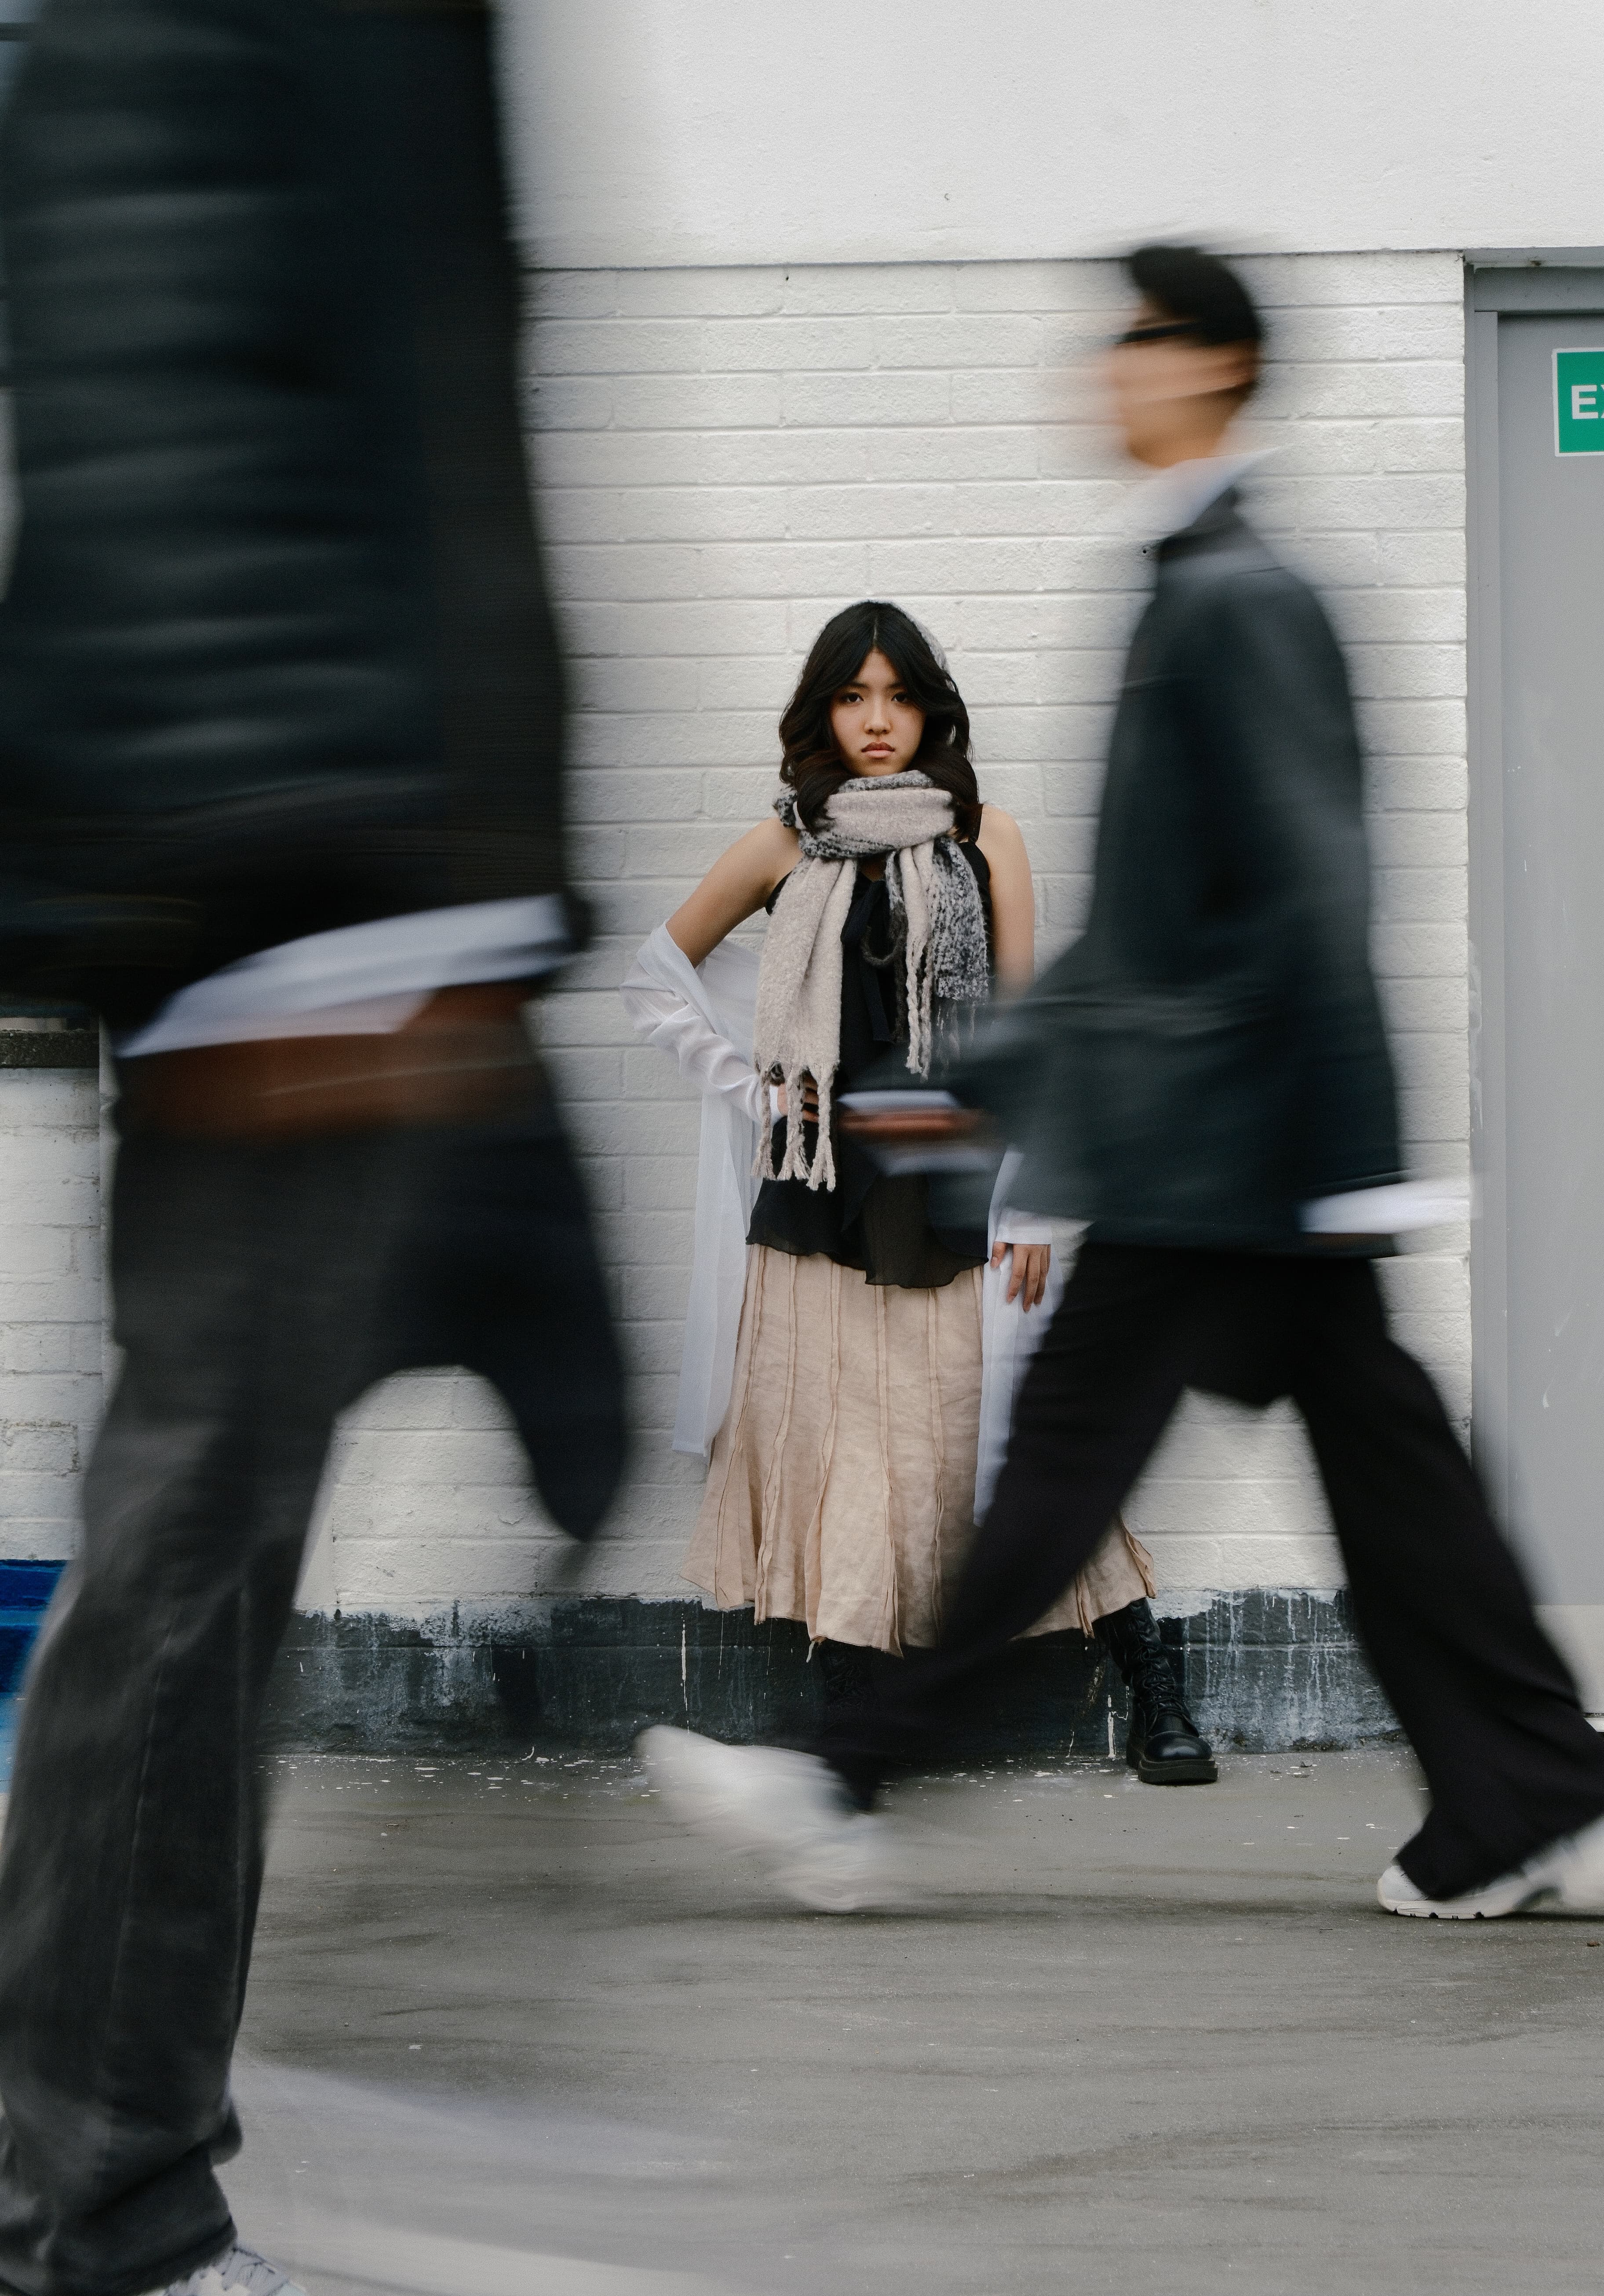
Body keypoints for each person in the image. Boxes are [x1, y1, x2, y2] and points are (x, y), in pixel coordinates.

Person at [640, 244, 1604, 1923]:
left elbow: (1306, 891)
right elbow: (1146, 929)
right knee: (1391, 1500)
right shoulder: (1191, 582)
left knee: (1073, 1482)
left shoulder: (1236, 597)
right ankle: (1532, 1799)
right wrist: (989, 1077)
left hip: (1227, 1160)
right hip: (1235, 1153)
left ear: (1216, 366)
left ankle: (837, 1779)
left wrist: (1291, 1155)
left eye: (1140, 340)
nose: (1109, 367)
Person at [0, 3, 624, 2296]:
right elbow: (153, 354)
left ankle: (187, 2164)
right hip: (304, 909)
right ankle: (88, 2240)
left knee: (368, 1506)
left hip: (406, 895)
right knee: (190, 1568)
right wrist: (300, 892)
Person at [623, 603, 1213, 1783]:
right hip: (819, 1207)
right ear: (822, 712)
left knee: (1000, 1455)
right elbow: (653, 977)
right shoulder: (782, 846)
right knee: (830, 1455)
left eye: (897, 697)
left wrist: (1041, 1202)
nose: (877, 721)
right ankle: (855, 1730)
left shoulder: (989, 838)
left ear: (931, 708)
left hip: (959, 1203)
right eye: (853, 698)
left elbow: (1032, 1037)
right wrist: (750, 1090)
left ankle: (1151, 1678)